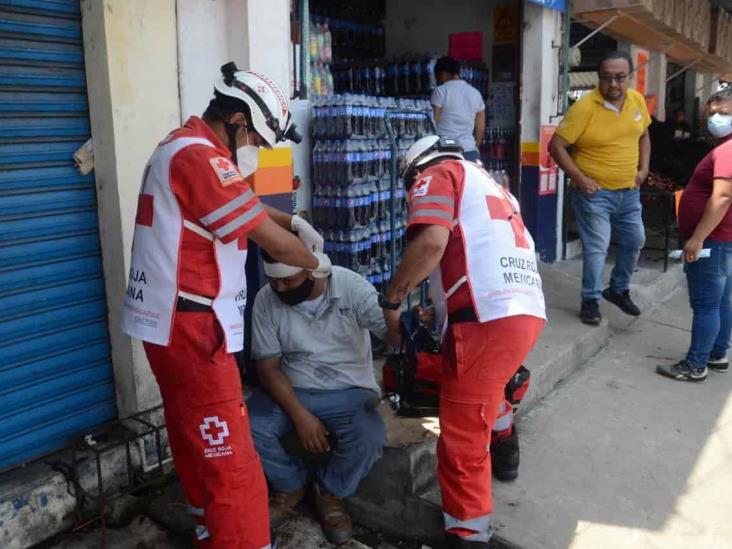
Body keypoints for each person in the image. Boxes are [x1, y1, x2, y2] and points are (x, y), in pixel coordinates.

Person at [120, 63, 331, 549]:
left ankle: (209, 533)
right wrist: (313, 258)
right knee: (231, 464)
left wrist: (293, 221)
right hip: (195, 330)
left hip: (169, 325)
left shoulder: (181, 146)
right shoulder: (201, 157)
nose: (257, 151)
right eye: (257, 139)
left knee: (196, 442)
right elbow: (274, 245)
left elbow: (251, 209)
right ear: (237, 121)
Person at [379, 136, 546, 548]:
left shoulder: (437, 174)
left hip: (486, 320)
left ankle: (469, 534)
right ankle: (506, 452)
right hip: (521, 311)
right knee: (489, 385)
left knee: (461, 438)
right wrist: (439, 311)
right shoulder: (491, 184)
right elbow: (474, 253)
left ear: (413, 170)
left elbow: (431, 243)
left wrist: (393, 298)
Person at [247, 253, 387, 544]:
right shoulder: (266, 299)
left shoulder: (351, 286)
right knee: (247, 424)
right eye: (274, 282)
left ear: (313, 273)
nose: (280, 289)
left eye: (288, 280)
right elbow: (268, 368)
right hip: (292, 387)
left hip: (349, 389)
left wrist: (406, 321)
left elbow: (387, 327)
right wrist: (300, 415)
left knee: (370, 436)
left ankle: (330, 490)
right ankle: (291, 485)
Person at [549, 50, 651, 326]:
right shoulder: (584, 108)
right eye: (607, 78)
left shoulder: (637, 101)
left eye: (620, 77)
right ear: (599, 79)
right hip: (594, 196)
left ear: (629, 77)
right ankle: (590, 300)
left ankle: (618, 289)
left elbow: (644, 136)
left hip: (629, 193)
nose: (614, 84)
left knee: (635, 240)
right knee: (597, 247)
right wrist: (580, 178)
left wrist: (643, 169)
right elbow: (556, 146)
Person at [657, 89, 732, 382]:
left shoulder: (726, 150)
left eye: (724, 113)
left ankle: (695, 364)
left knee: (706, 304)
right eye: (712, 112)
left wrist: (698, 238)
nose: (716, 118)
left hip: (713, 240)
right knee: (722, 301)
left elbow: (722, 196)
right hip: (723, 239)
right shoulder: (724, 147)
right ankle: (717, 354)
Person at [431, 57, 486, 162]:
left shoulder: (440, 91)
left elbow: (434, 121)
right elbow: (480, 128)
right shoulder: (475, 93)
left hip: (445, 151)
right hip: (469, 150)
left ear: (443, 74)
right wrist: (475, 147)